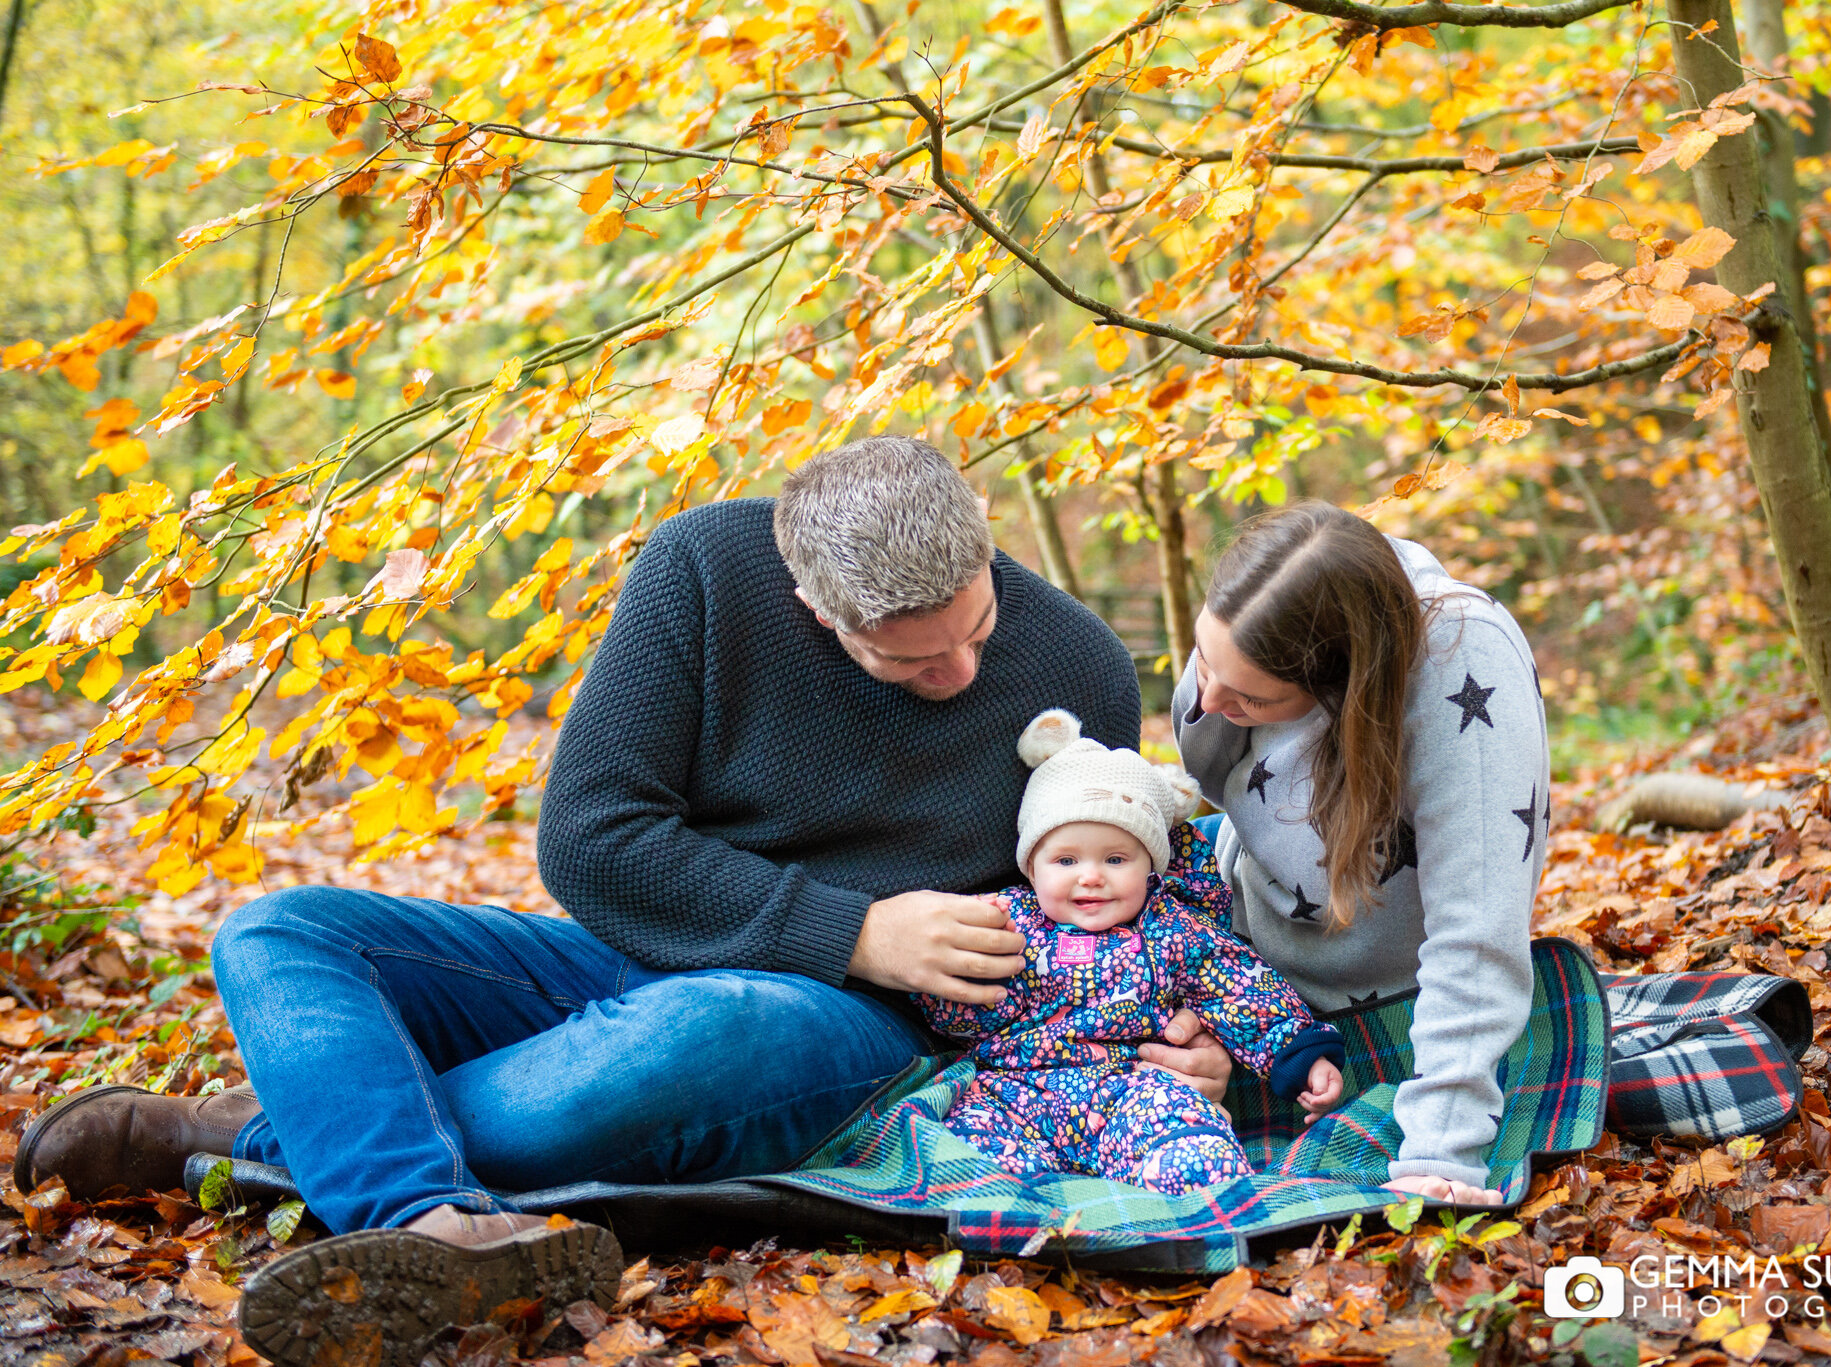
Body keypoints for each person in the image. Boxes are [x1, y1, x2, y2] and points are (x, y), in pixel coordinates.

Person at [13, 436, 1158, 1367]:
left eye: (975, 629)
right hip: (623, 951)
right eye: (909, 662)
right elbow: (591, 840)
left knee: (680, 1038)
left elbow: (1117, 881)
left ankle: (272, 1136)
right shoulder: (705, 572)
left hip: (851, 1018)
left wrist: (1162, 1029)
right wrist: (847, 922)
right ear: (811, 599)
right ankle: (435, 1220)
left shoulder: (1085, 663)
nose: (957, 672)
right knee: (280, 928)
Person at [1173, 502, 1549, 1208]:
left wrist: (1440, 1150)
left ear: (1343, 684)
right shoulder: (1258, 622)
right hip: (1256, 965)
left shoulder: (1461, 664)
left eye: (1250, 699)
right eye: (1203, 658)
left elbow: (1477, 927)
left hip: (1395, 1009)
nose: (1208, 698)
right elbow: (1205, 774)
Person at [917, 710, 1345, 1193]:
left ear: (1151, 869)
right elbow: (955, 1003)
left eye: (1116, 859)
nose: (1091, 876)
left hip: (1134, 1088)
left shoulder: (1174, 931)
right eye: (1066, 860)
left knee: (1190, 1144)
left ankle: (1199, 1207)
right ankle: (1023, 1215)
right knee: (964, 1156)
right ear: (1032, 870)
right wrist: (957, 995)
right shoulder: (1003, 921)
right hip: (1017, 1091)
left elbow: (1242, 989)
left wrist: (1301, 1055)